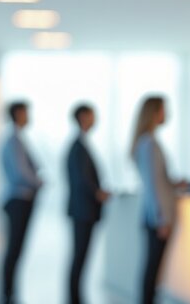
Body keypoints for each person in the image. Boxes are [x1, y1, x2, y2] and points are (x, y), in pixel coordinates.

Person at [130, 96, 186, 304]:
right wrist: (162, 218)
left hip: (153, 215)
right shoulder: (149, 144)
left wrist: (173, 183)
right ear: (155, 113)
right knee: (152, 271)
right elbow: (153, 185)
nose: (167, 114)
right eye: (164, 110)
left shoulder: (147, 142)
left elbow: (158, 180)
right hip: (156, 217)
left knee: (152, 270)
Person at [66, 104, 110, 304]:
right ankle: (74, 299)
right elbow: (82, 180)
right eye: (92, 116)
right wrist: (97, 193)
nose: (95, 120)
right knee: (79, 257)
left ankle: (76, 297)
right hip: (83, 211)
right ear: (83, 117)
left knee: (81, 257)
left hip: (84, 211)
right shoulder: (78, 147)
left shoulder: (81, 145)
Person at [0, 102, 43, 304]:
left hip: (22, 200)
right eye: (26, 112)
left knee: (16, 250)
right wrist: (38, 181)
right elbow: (20, 173)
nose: (29, 116)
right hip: (18, 200)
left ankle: (10, 292)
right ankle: (7, 294)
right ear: (17, 114)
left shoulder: (18, 139)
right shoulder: (13, 141)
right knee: (13, 250)